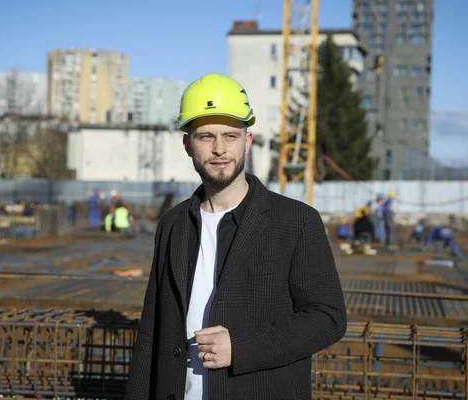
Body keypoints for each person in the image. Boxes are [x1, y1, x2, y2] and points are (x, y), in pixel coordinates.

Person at [125, 74, 346, 400]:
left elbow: (328, 318)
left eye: (230, 135)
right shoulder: (173, 224)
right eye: (206, 136)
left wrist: (242, 347)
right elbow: (152, 331)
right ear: (187, 144)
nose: (219, 149)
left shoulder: (297, 222)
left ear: (248, 141)